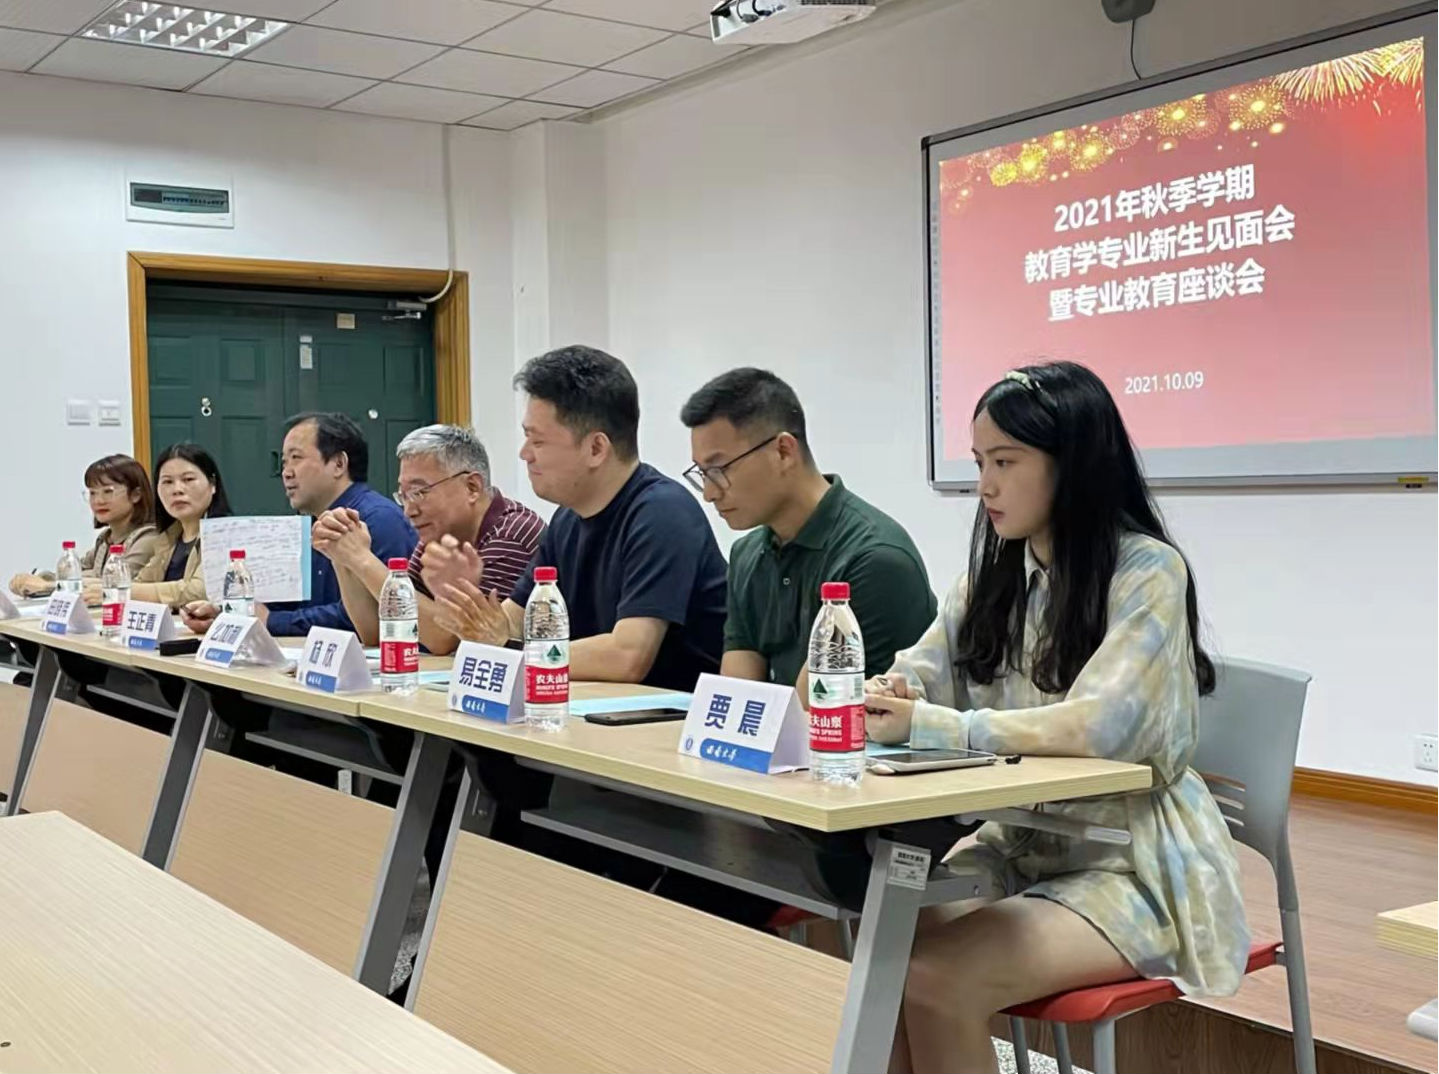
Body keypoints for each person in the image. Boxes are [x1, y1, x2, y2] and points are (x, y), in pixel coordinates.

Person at [861, 362, 1247, 1074]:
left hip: (1129, 862)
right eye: (980, 462)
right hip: (1021, 840)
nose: (985, 486)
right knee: (884, 944)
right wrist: (894, 688)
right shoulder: (994, 576)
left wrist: (933, 725)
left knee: (934, 978)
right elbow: (924, 667)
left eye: (1005, 462)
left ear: (1072, 465)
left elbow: (1095, 727)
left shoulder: (1146, 571)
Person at [433, 345, 727, 691]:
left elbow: (627, 656)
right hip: (593, 708)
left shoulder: (663, 513)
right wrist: (466, 601)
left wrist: (512, 650)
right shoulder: (567, 518)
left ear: (596, 449)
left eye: (537, 441)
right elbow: (510, 624)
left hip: (668, 715)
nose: (524, 454)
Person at [680, 368, 936, 690]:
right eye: (702, 473)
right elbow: (738, 696)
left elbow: (816, 704)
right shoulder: (746, 555)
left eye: (719, 469)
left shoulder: (874, 559)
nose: (709, 493)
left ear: (783, 451)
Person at [179, 413, 415, 637]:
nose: (286, 473)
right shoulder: (310, 525)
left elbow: (371, 617)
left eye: (296, 458)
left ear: (338, 464)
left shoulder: (378, 519)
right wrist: (230, 611)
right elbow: (294, 599)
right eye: (284, 462)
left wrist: (273, 621)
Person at [313, 424, 543, 655]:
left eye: (419, 493)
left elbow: (446, 638)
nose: (409, 511)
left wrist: (362, 559)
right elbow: (378, 631)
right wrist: (341, 555)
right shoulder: (438, 532)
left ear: (472, 487)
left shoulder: (512, 535)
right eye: (404, 496)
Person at [9, 454, 162, 602]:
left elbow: (116, 584)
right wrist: (37, 579)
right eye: (92, 493)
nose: (98, 500)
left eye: (108, 492)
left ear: (136, 495)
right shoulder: (106, 538)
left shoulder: (148, 538)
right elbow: (77, 573)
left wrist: (45, 586)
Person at [131, 443, 232, 610]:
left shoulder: (226, 534)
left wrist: (124, 592)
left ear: (212, 484)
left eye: (188, 479)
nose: (177, 490)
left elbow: (200, 591)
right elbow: (141, 583)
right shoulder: (169, 538)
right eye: (167, 482)